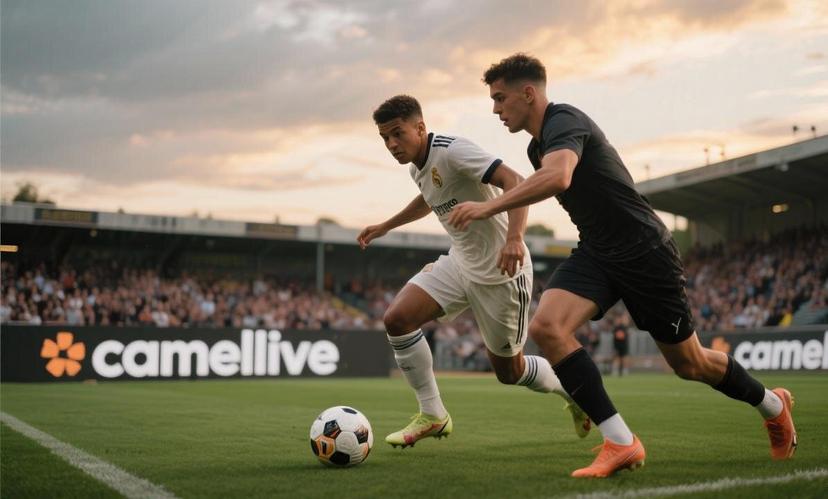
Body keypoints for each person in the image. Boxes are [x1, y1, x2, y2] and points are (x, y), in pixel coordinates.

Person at [447, 54, 797, 477]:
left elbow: (558, 176)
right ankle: (620, 441)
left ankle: (773, 405)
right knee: (547, 327)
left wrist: (489, 208)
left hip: (644, 251)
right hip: (598, 251)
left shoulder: (564, 120)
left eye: (500, 98)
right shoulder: (536, 146)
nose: (495, 109)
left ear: (529, 93)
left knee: (690, 364)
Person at [358, 95, 591, 448]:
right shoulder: (417, 167)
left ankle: (575, 393)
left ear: (420, 127)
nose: (391, 144)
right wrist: (386, 226)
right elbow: (429, 197)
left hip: (502, 271)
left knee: (510, 372)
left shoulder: (453, 150)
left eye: (397, 133)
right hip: (460, 262)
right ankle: (433, 414)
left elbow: (515, 180)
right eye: (384, 138)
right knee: (397, 319)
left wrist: (515, 239)